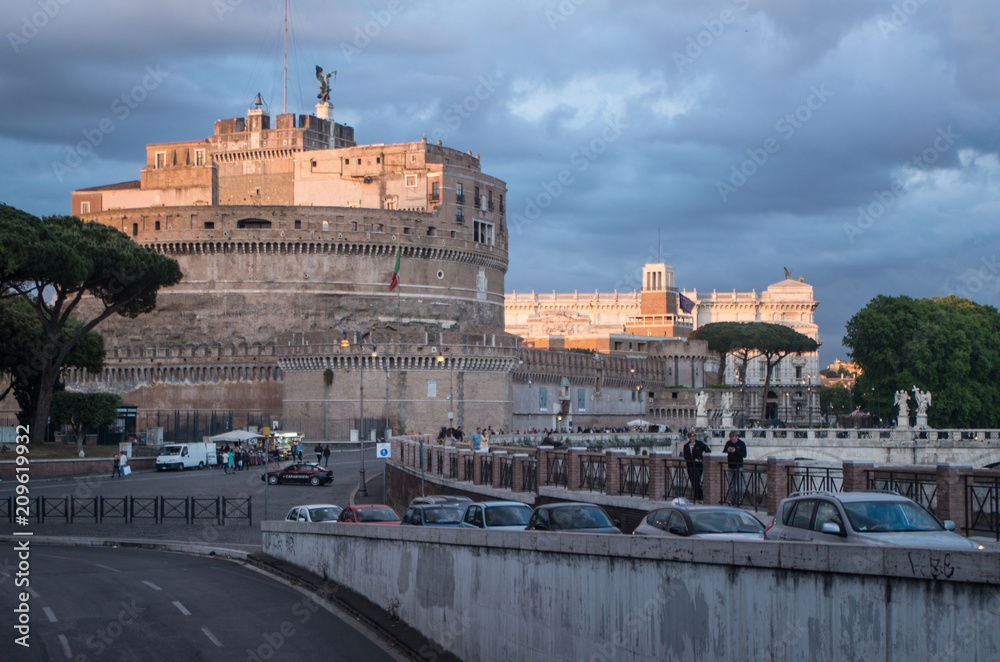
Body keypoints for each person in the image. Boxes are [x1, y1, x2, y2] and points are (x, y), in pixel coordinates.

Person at [682, 430, 710, 503]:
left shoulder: (699, 444)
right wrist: (694, 459)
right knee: (693, 482)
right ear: (689, 437)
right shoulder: (686, 446)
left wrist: (702, 458)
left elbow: (707, 450)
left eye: (693, 436)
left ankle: (700, 497)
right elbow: (686, 456)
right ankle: (697, 497)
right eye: (691, 436)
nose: (692, 438)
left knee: (697, 481)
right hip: (690, 465)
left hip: (698, 466)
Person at [723, 430, 747, 506]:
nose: (733, 441)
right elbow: (723, 452)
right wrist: (728, 450)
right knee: (731, 484)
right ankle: (731, 500)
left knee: (739, 484)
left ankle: (739, 500)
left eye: (734, 439)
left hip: (738, 466)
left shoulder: (741, 444)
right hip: (730, 466)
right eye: (731, 439)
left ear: (737, 437)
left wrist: (735, 451)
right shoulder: (728, 443)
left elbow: (744, 454)